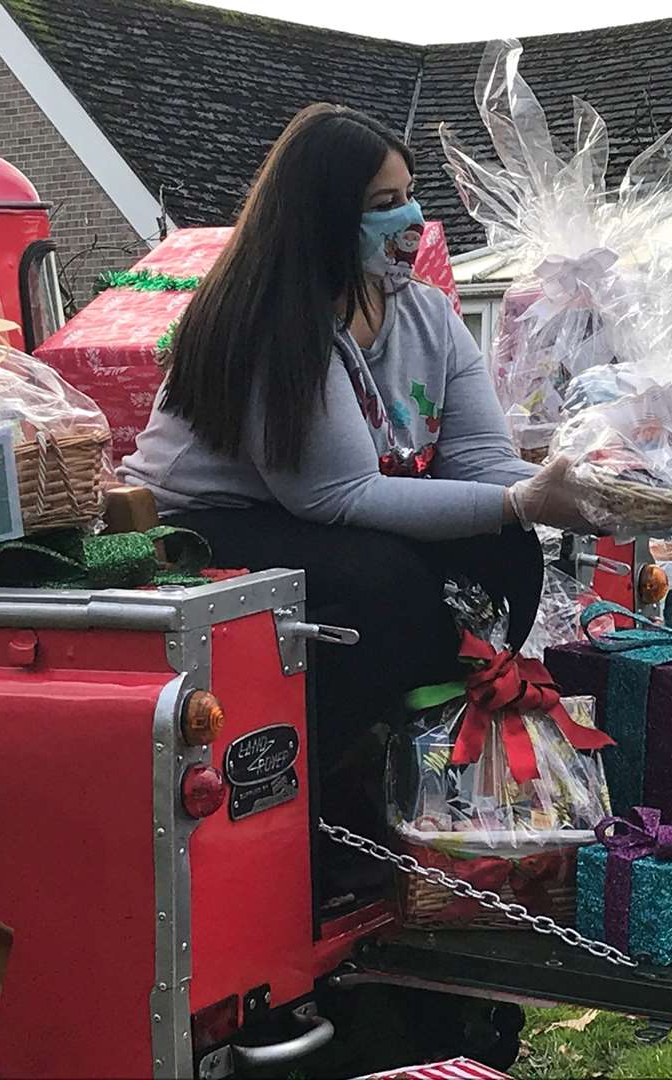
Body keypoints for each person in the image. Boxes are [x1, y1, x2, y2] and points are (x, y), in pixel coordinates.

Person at [120, 104, 592, 856]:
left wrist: (582, 489)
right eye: (382, 205)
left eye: (409, 195)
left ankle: (421, 752)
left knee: (508, 552)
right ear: (321, 217)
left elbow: (477, 458)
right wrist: (519, 497)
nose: (408, 218)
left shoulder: (428, 313)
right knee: (388, 587)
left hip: (327, 510)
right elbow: (334, 496)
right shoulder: (274, 323)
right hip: (210, 515)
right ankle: (306, 792)